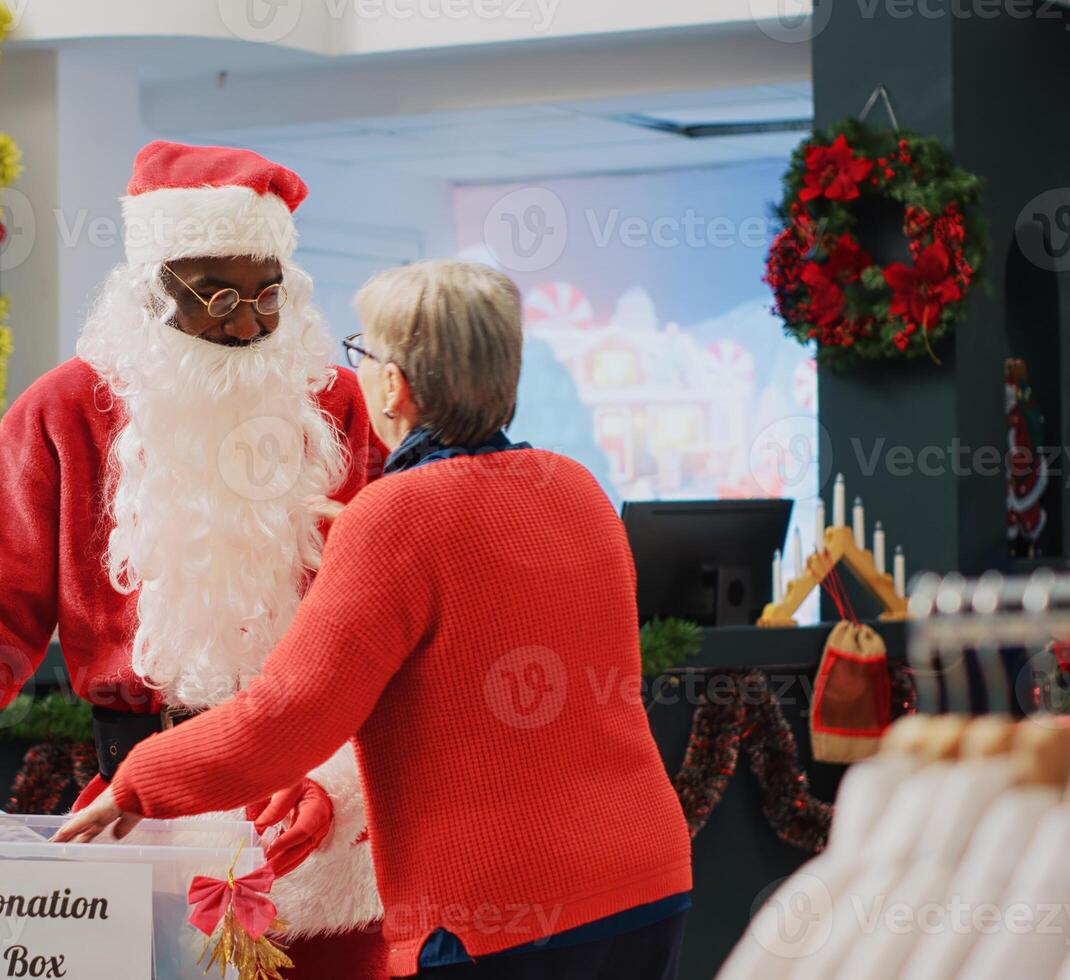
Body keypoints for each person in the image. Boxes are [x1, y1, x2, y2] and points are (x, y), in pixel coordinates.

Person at [0, 141, 391, 977]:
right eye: (218, 295)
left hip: (316, 826)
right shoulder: (63, 415)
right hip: (138, 825)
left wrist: (347, 778)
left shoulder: (337, 405)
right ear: (153, 288)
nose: (247, 324)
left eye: (268, 294)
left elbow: (393, 625)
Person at [57, 259, 694, 979]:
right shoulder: (575, 487)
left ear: (394, 384)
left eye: (363, 353)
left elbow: (287, 721)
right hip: (646, 878)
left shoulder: (395, 518)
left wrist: (140, 780)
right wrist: (367, 545)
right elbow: (487, 599)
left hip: (499, 915)